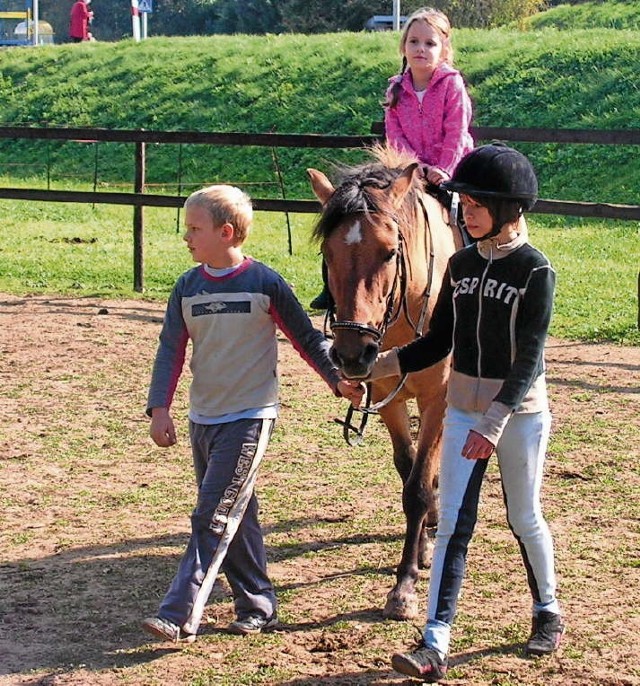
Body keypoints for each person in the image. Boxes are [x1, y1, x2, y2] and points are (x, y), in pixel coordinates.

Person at [369, 144, 564, 682]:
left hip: (518, 414)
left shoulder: (535, 270)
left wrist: (495, 421)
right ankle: (434, 641)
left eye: (476, 203)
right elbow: (438, 342)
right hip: (462, 412)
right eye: (464, 202)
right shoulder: (460, 264)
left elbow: (531, 358)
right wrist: (376, 365)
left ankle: (547, 610)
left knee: (522, 516)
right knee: (453, 522)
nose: (465, 211)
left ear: (508, 208)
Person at [142, 185, 364, 643]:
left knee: (212, 515)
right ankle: (258, 604)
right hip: (202, 418)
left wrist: (337, 381)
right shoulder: (188, 286)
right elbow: (170, 349)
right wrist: (159, 408)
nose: (187, 237)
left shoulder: (264, 283)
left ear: (226, 233)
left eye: (194, 229)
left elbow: (307, 338)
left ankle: (178, 612)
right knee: (234, 511)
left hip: (249, 417)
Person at [309, 7, 473, 311]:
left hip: (451, 168)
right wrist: (412, 166)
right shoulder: (396, 88)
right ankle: (332, 288)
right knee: (352, 216)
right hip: (406, 170)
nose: (421, 49)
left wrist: (442, 169)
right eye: (414, 41)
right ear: (404, 46)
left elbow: (456, 131)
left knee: (468, 217)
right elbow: (394, 134)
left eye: (430, 43)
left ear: (444, 49)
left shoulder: (452, 84)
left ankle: (473, 275)